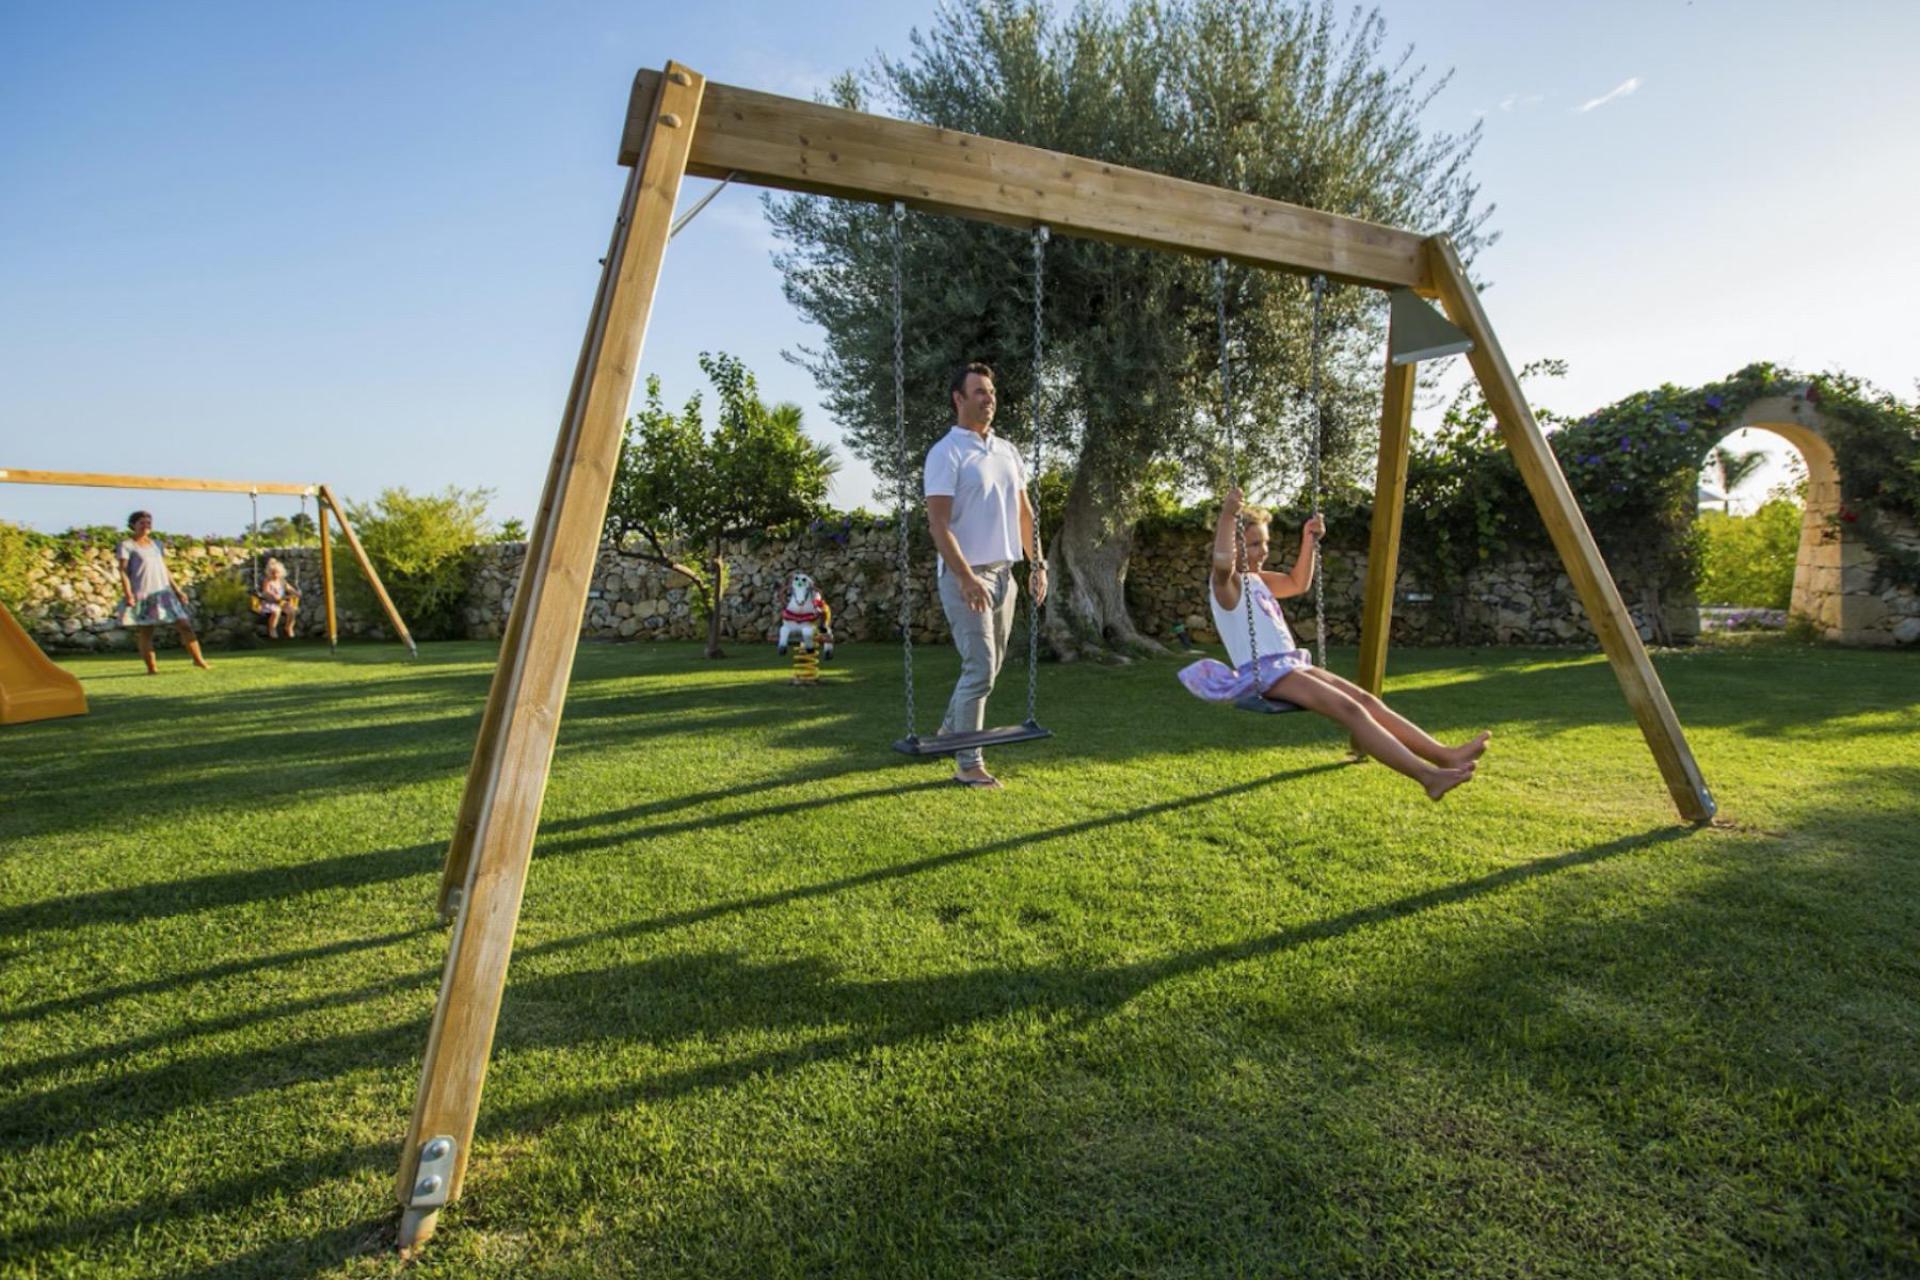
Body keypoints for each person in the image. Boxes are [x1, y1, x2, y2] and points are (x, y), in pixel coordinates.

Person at [1178, 488, 1486, 801]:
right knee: (1350, 709)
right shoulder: (1226, 586)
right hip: (1265, 673)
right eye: (1255, 544)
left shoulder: (1258, 580)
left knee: (1366, 701)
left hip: (1291, 664)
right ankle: (1428, 777)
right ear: (1236, 544)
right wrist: (1229, 516)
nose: (1264, 550)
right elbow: (1221, 562)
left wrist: (1309, 540)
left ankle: (1445, 756)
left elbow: (1298, 583)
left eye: (1266, 542)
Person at [923, 361, 1048, 790]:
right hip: (966, 577)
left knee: (988, 670)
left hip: (1004, 575)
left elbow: (1024, 513)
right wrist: (964, 577)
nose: (988, 399)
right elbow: (939, 525)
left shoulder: (1007, 451)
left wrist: (1037, 564)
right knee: (979, 667)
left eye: (991, 392)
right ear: (958, 399)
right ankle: (968, 762)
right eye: (979, 391)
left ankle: (947, 732)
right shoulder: (946, 453)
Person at [116, 510, 210, 674]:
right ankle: (152, 668)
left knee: (184, 625)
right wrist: (129, 594)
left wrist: (178, 590)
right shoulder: (127, 545)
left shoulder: (156, 544)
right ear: (133, 525)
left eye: (148, 522)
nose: (146, 526)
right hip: (143, 593)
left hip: (164, 593)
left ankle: (198, 660)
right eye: (142, 523)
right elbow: (123, 571)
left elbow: (164, 569)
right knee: (146, 631)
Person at [257, 557, 301, 640]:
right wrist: (272, 595)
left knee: (292, 611)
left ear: (281, 573)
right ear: (269, 573)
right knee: (276, 611)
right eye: (273, 573)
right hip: (270, 602)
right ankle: (272, 629)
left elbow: (290, 589)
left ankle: (288, 627)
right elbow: (266, 591)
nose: (275, 575)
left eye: (277, 573)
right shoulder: (268, 581)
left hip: (281, 602)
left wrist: (296, 593)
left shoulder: (282, 581)